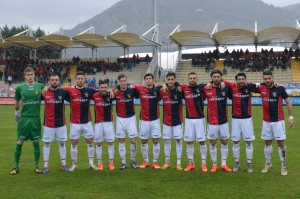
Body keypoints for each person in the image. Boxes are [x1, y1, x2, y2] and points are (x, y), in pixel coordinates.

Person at [255, 70, 293, 175]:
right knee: (267, 143)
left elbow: (288, 101)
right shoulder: (261, 88)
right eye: (265, 79)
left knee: (280, 143)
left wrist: (291, 117)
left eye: (269, 78)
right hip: (266, 121)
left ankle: (283, 165)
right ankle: (268, 163)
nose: (267, 80)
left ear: (272, 78)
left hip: (278, 121)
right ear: (263, 79)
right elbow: (247, 85)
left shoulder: (280, 88)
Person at [223, 73, 260, 172]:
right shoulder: (232, 85)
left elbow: (262, 84)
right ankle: (236, 163)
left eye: (243, 79)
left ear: (245, 79)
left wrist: (275, 84)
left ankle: (249, 164)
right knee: (235, 142)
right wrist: (211, 83)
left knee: (248, 142)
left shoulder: (250, 86)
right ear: (236, 80)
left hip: (247, 118)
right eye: (239, 79)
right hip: (235, 118)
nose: (241, 81)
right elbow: (220, 79)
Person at [10, 67, 44, 175]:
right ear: (25, 76)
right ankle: (16, 167)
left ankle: (37, 166)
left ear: (34, 75)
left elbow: (48, 93)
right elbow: (16, 100)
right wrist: (16, 112)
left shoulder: (40, 86)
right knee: (20, 142)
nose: (30, 76)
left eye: (31, 74)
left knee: (36, 142)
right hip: (24, 119)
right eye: (28, 74)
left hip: (35, 118)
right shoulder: (20, 88)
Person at [127, 73, 163, 170]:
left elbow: (166, 86)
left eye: (150, 78)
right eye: (146, 78)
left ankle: (155, 162)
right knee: (144, 141)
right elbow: (130, 85)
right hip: (144, 120)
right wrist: (129, 85)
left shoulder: (158, 89)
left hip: (155, 119)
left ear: (153, 80)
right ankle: (146, 161)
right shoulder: (140, 89)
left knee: (155, 141)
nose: (148, 80)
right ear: (144, 80)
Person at [65, 71, 99, 171]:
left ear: (85, 80)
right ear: (76, 80)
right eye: (78, 79)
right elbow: (58, 90)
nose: (80, 80)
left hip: (87, 122)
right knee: (74, 142)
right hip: (75, 122)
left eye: (82, 79)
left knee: (90, 141)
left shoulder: (90, 90)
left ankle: (91, 163)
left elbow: (103, 92)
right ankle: (74, 164)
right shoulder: (69, 90)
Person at [203, 70, 232, 172]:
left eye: (218, 76)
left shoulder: (226, 87)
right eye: (214, 77)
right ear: (211, 78)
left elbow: (235, 84)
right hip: (212, 121)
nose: (216, 78)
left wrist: (224, 81)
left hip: (223, 120)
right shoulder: (206, 88)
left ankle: (224, 164)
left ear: (221, 77)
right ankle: (214, 164)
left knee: (224, 141)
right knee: (213, 142)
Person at [179, 72, 208, 172]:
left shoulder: (202, 87)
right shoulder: (184, 88)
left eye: (194, 78)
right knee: (189, 142)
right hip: (189, 119)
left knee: (202, 141)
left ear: (197, 79)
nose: (192, 80)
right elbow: (174, 83)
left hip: (200, 119)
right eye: (190, 78)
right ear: (188, 79)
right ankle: (191, 163)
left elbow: (213, 84)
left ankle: (203, 163)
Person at [42, 74, 70, 174]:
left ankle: (64, 164)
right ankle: (45, 166)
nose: (54, 81)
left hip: (61, 123)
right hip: (48, 124)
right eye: (52, 80)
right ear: (49, 81)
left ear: (59, 81)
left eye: (56, 80)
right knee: (46, 144)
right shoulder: (44, 92)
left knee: (62, 144)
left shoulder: (63, 92)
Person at [113, 74, 139, 170]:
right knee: (121, 140)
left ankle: (133, 159)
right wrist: (114, 89)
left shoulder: (132, 90)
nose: (123, 82)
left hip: (131, 118)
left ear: (127, 81)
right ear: (119, 82)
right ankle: (123, 162)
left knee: (133, 140)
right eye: (121, 81)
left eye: (125, 80)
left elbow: (140, 90)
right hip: (120, 119)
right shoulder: (115, 91)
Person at [159, 72, 183, 170]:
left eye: (172, 79)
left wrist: (178, 85)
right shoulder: (161, 91)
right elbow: (153, 87)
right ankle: (167, 162)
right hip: (166, 122)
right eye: (168, 79)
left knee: (178, 141)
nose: (170, 81)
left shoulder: (180, 90)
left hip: (178, 121)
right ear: (166, 80)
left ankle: (178, 162)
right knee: (167, 141)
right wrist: (163, 85)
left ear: (175, 80)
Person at [92, 81, 115, 170]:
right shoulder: (94, 95)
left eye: (105, 87)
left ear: (107, 87)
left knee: (110, 143)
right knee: (99, 143)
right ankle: (99, 162)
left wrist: (111, 91)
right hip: (98, 123)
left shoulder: (111, 96)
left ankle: (111, 162)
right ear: (99, 87)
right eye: (102, 87)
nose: (104, 89)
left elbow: (117, 89)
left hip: (109, 122)